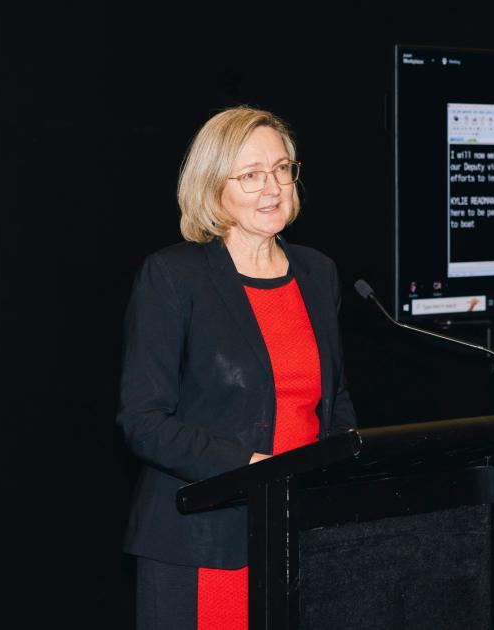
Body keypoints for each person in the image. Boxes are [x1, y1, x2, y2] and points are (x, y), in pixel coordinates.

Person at [116, 105, 357, 630]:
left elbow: (333, 402)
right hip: (204, 537)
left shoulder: (318, 272)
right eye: (250, 175)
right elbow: (143, 420)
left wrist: (342, 476)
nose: (271, 187)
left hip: (303, 530)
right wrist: (253, 470)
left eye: (281, 168)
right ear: (212, 187)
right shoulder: (174, 276)